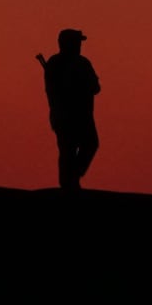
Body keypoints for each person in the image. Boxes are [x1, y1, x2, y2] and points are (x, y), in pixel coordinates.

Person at [35, 28, 101, 190]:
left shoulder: (83, 63)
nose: (79, 46)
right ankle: (68, 184)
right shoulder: (56, 63)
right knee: (68, 149)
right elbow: (53, 90)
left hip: (83, 116)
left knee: (89, 144)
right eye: (77, 42)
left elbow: (95, 87)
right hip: (64, 116)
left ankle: (73, 177)